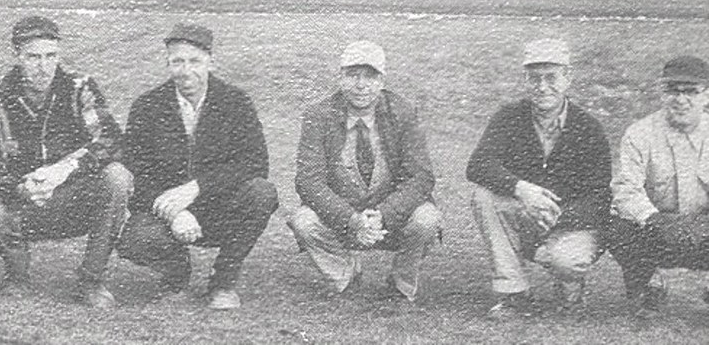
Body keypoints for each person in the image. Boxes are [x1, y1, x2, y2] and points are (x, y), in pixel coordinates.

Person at [0, 15, 131, 308]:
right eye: (33, 57)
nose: (44, 67)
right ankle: (17, 276)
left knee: (117, 176)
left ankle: (90, 280)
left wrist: (64, 169)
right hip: (24, 202)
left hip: (74, 197)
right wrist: (21, 188)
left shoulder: (79, 87)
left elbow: (111, 139)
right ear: (16, 55)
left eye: (51, 56)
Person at [118, 23, 278, 310]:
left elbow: (255, 162)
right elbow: (135, 171)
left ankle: (223, 282)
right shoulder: (147, 106)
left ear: (210, 62)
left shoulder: (236, 102)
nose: (186, 70)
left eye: (195, 61)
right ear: (167, 63)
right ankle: (175, 275)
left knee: (262, 193)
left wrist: (197, 188)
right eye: (177, 61)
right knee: (136, 238)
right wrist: (175, 212)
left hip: (219, 209)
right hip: (168, 213)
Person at [466, 38, 612, 318]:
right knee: (484, 196)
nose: (542, 86)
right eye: (534, 78)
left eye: (551, 77)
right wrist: (522, 189)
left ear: (567, 77)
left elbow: (600, 196)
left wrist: (557, 216)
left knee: (567, 261)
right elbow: (478, 165)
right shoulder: (509, 117)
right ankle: (514, 294)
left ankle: (570, 283)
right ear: (525, 79)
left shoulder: (589, 127)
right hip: (526, 213)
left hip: (572, 224)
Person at [289, 41, 440, 302]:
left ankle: (401, 284)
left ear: (382, 80)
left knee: (427, 218)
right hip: (343, 219)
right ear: (340, 78)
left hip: (391, 217)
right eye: (352, 75)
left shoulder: (402, 112)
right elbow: (308, 182)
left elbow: (421, 176)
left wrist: (384, 214)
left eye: (370, 76)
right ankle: (347, 275)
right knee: (303, 221)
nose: (361, 85)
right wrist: (351, 218)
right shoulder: (319, 115)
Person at [605, 55, 709, 317]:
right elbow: (626, 190)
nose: (681, 99)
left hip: (703, 228)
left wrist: (700, 225)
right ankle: (650, 286)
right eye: (672, 90)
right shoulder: (639, 133)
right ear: (662, 93)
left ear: (706, 95)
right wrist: (654, 220)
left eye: (691, 92)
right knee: (618, 225)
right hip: (657, 229)